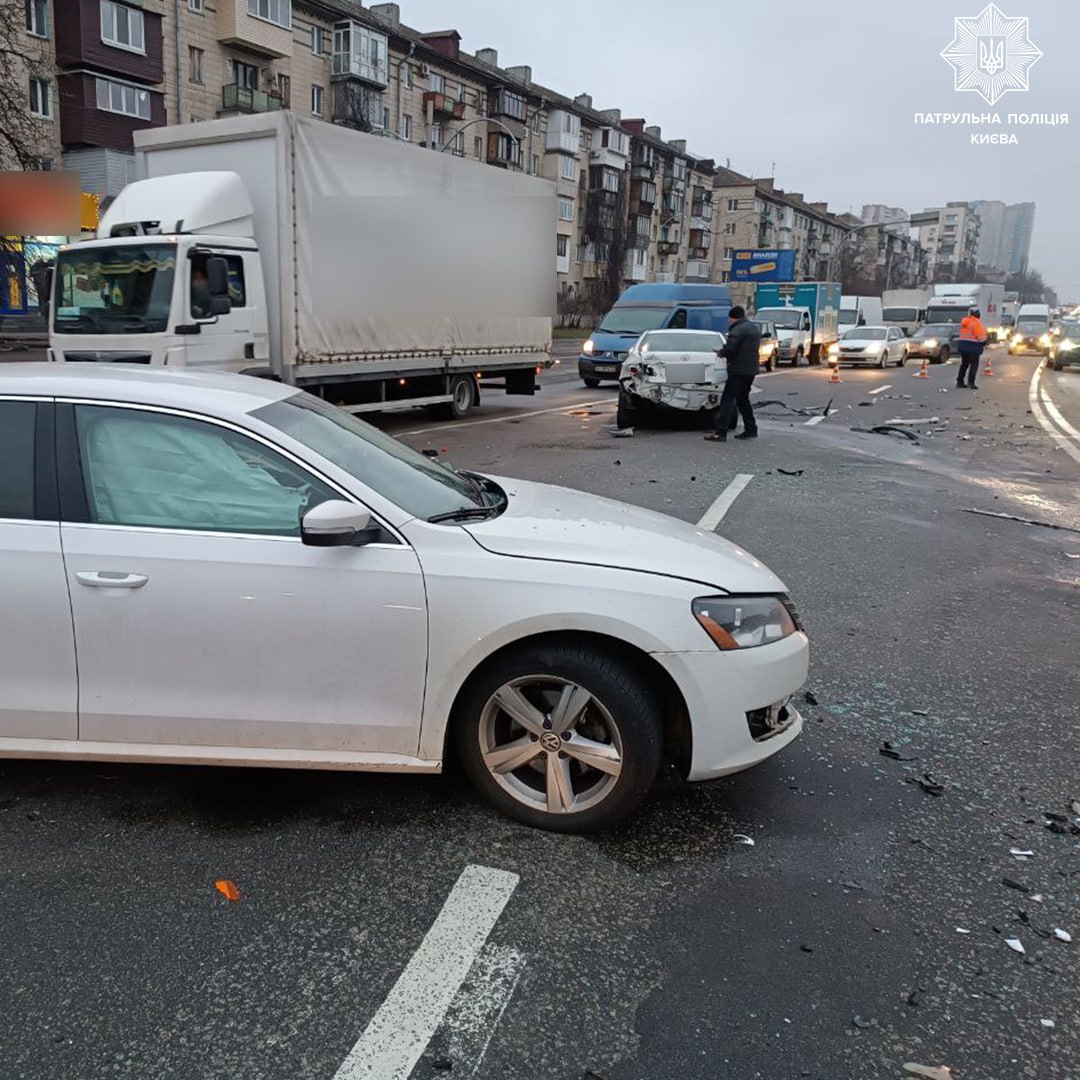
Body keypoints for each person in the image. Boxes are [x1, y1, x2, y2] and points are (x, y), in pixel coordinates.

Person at [705, 306, 761, 442]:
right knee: (743, 399)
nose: (729, 321)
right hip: (751, 370)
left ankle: (720, 432)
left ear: (733, 317)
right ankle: (751, 429)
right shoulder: (753, 328)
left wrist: (720, 352)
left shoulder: (737, 330)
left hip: (738, 370)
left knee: (727, 399)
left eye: (729, 319)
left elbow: (730, 349)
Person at [957, 307, 987, 389]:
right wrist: (984, 342)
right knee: (974, 365)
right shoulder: (976, 324)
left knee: (964, 364)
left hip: (963, 346)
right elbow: (981, 338)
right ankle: (971, 383)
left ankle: (960, 382)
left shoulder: (965, 323)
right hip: (973, 347)